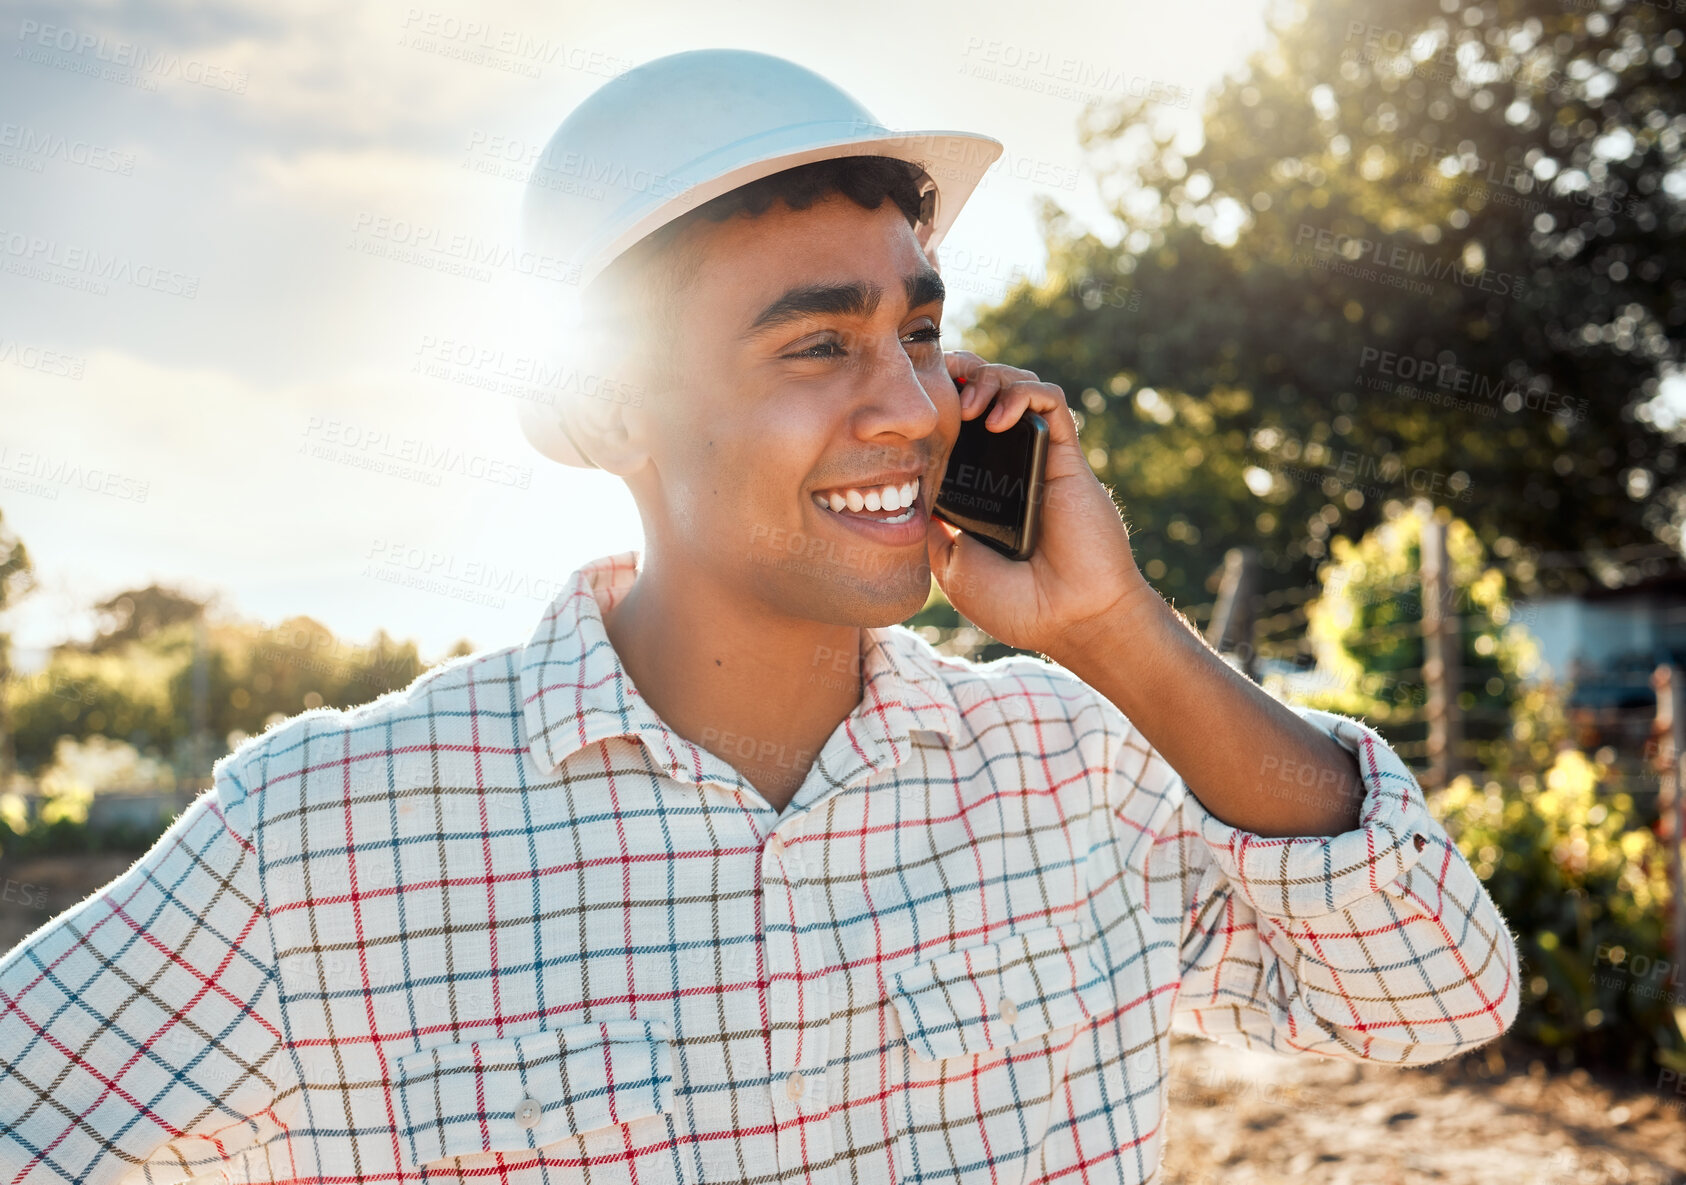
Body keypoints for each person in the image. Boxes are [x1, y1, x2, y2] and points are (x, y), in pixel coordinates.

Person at [0, 48, 1519, 1185]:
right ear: (606, 408)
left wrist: (1113, 626)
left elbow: (1437, 990)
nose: (913, 406)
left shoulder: (1071, 762)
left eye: (919, 332)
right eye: (817, 345)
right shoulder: (321, 837)